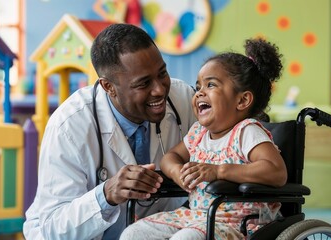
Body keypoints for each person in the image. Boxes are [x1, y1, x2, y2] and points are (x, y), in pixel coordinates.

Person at [23, 23, 196, 240]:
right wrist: (106, 194)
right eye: (143, 84)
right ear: (108, 87)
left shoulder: (185, 100)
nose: (160, 89)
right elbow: (54, 228)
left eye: (162, 73)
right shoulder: (69, 125)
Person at [120, 38, 288, 240]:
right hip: (196, 216)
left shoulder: (247, 132)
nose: (199, 93)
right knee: (134, 233)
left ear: (242, 100)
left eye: (211, 85)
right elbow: (170, 157)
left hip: (237, 223)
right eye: (198, 86)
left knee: (187, 238)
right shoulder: (198, 133)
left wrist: (219, 171)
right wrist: (177, 172)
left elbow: (276, 172)